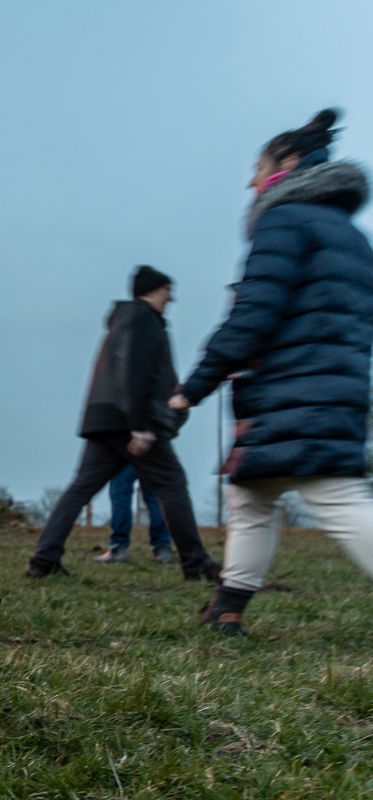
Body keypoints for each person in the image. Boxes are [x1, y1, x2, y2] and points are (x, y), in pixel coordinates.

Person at [171, 109, 373, 636]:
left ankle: (228, 606)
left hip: (296, 389)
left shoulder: (285, 220)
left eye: (257, 168)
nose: (250, 181)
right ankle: (227, 608)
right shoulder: (350, 235)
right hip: (329, 386)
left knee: (337, 496)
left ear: (286, 164)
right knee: (253, 495)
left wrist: (191, 389)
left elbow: (252, 316)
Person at [26, 266, 220, 581]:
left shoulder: (124, 320)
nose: (172, 297)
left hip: (106, 418)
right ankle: (196, 563)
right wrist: (140, 425)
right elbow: (133, 371)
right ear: (153, 290)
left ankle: (43, 560)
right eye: (168, 290)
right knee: (171, 484)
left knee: (80, 488)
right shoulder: (143, 319)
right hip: (129, 419)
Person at [95, 466, 172, 564]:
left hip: (126, 455)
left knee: (121, 494)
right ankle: (162, 548)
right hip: (152, 454)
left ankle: (118, 547)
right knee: (155, 498)